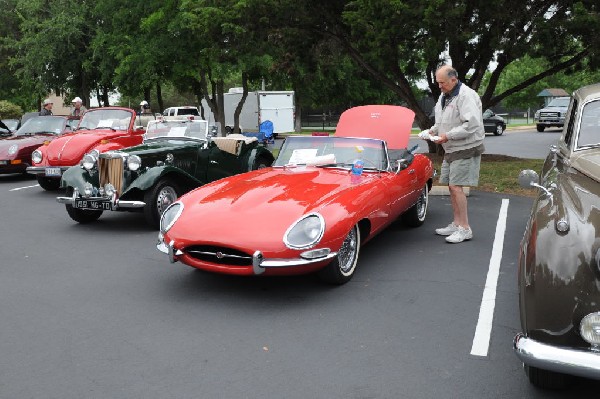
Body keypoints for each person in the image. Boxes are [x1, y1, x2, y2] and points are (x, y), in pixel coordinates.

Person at [419, 65, 485, 243]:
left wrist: (447, 136)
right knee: (451, 186)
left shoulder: (466, 95)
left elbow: (471, 125)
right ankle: (457, 224)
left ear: (454, 80)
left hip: (466, 147)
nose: (439, 86)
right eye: (438, 82)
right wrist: (433, 130)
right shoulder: (445, 95)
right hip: (451, 147)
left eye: (442, 82)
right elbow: (442, 120)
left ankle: (465, 228)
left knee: (456, 186)